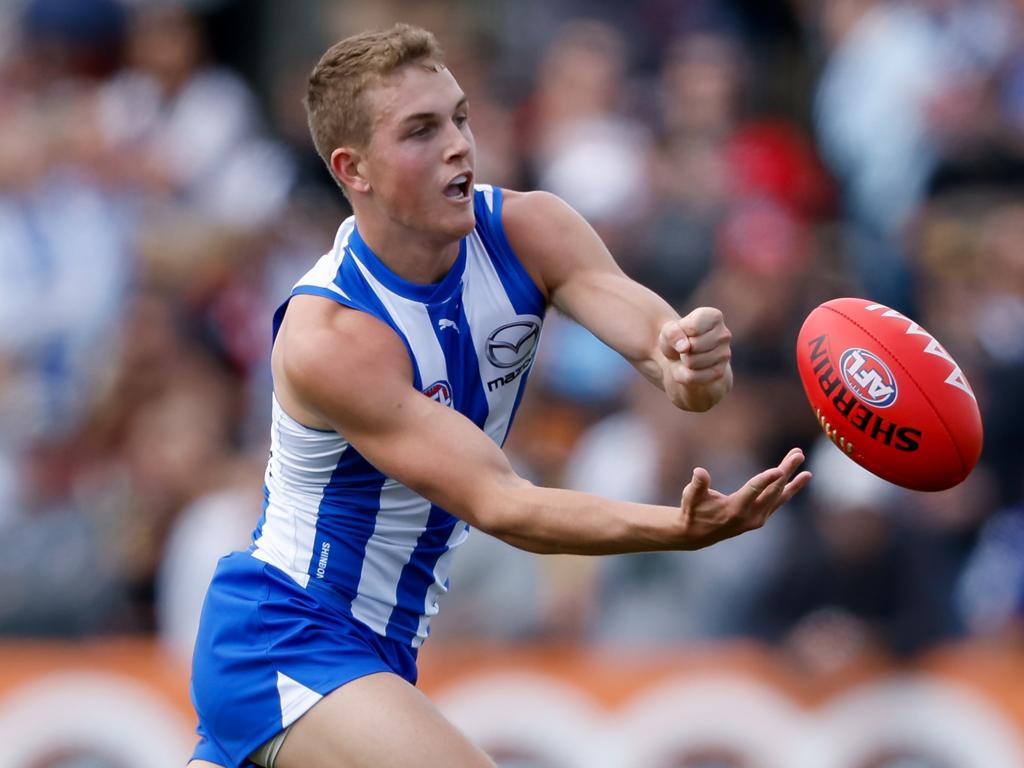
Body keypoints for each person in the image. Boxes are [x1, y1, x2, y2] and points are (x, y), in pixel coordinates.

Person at [187, 23, 811, 768]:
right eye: (420, 131)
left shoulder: (530, 229)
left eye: (459, 117)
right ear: (354, 170)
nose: (459, 144)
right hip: (286, 636)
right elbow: (502, 504)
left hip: (375, 648)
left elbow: (666, 352)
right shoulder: (335, 334)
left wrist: (698, 368)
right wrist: (675, 528)